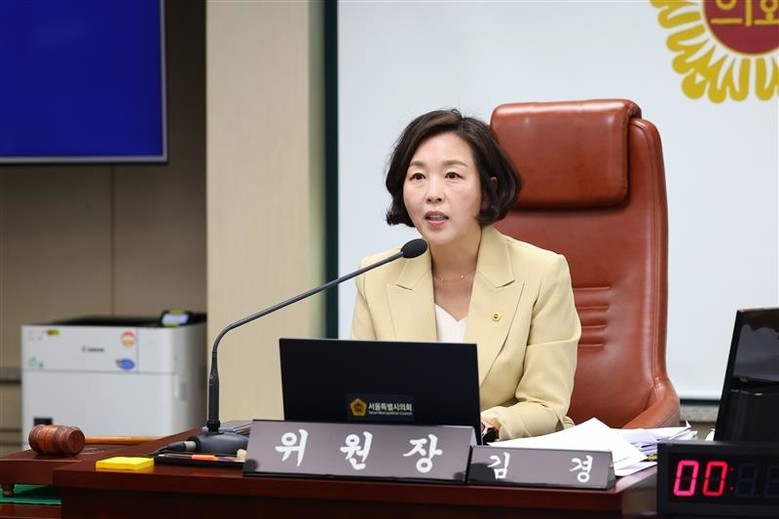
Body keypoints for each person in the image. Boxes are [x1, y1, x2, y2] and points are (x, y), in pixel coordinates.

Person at [350, 109, 581, 441]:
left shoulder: (543, 273)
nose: (433, 193)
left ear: (487, 190)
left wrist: (486, 425)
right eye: (418, 176)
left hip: (506, 457)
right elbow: (363, 397)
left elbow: (546, 404)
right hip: (408, 457)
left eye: (452, 176)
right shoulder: (376, 277)